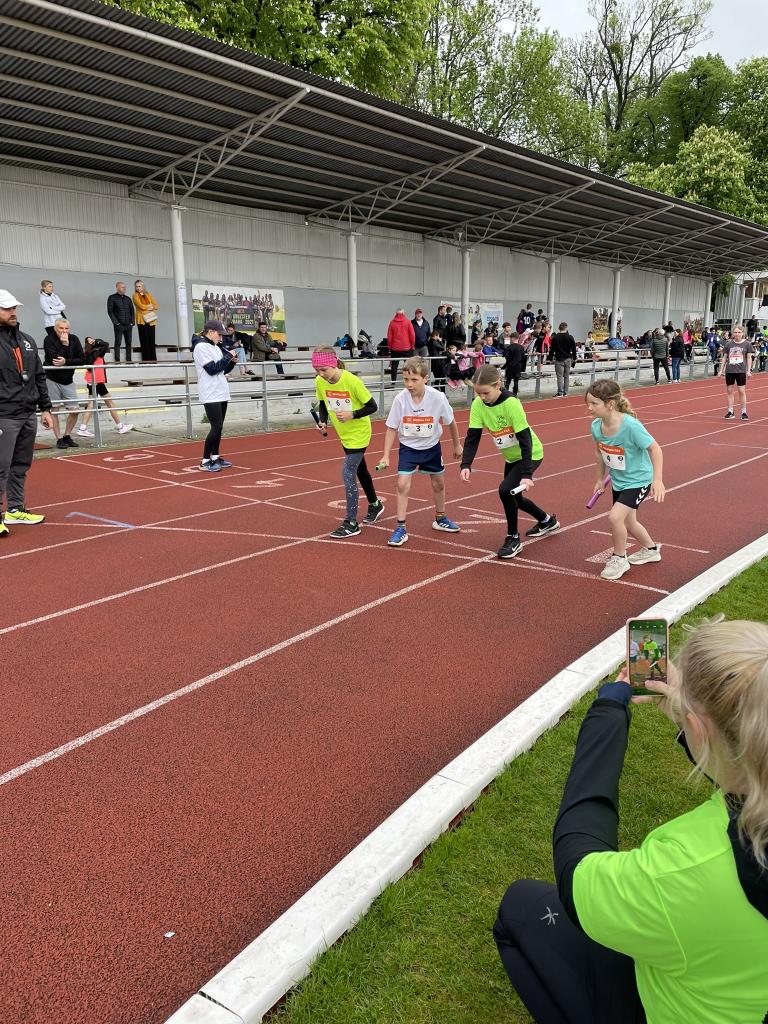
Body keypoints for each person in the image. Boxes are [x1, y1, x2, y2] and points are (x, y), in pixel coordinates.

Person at [494, 616, 768, 1024]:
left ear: (699, 728)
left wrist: (608, 711)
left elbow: (577, 867)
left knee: (519, 906)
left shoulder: (686, 869)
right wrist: (690, 717)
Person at [459, 364, 559, 559]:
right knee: (516, 498)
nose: (482, 397)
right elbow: (473, 437)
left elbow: (525, 439)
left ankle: (513, 538)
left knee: (505, 490)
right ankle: (547, 520)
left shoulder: (511, 403)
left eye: (486, 393)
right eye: (478, 393)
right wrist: (466, 464)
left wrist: (527, 474)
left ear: (498, 385)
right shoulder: (478, 405)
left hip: (530, 454)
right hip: (512, 457)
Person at [378, 356, 462, 547]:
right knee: (402, 484)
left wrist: (457, 445)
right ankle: (401, 527)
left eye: (414, 380)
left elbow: (451, 422)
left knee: (439, 483)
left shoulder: (438, 397)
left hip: (432, 447)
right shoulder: (400, 399)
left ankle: (440, 518)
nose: (409, 384)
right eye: (406, 379)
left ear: (425, 379)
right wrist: (385, 455)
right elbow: (391, 428)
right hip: (408, 449)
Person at [586, 379, 664, 581]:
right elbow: (599, 453)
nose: (589, 408)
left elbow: (655, 449)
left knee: (615, 517)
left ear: (610, 404)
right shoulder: (596, 426)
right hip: (619, 480)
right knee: (629, 522)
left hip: (639, 480)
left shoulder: (631, 426)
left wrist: (657, 480)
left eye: (594, 403)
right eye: (588, 403)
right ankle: (651, 550)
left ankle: (620, 558)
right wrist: (599, 479)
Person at [312, 346, 383, 538]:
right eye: (317, 370)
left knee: (348, 472)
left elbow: (373, 406)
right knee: (361, 470)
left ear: (334, 363)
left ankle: (351, 522)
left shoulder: (352, 381)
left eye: (323, 369)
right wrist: (323, 421)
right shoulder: (320, 380)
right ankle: (375, 504)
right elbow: (323, 402)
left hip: (359, 433)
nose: (321, 374)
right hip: (343, 433)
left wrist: (353, 414)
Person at [0, 289, 54, 535]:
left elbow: (39, 376)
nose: (13, 312)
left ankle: (15, 509)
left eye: (14, 308)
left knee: (20, 464)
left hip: (27, 413)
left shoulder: (27, 340)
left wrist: (46, 408)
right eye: (7, 308)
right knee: (1, 466)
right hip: (4, 415)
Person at [192, 320, 236, 473]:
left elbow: (222, 370)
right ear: (210, 332)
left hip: (221, 390)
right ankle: (205, 460)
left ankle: (215, 456)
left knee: (219, 427)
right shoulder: (201, 347)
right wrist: (227, 356)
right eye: (219, 334)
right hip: (210, 392)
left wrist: (231, 362)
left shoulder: (216, 347)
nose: (221, 338)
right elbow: (212, 369)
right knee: (216, 426)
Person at [77, 338, 133, 437]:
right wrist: (96, 342)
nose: (93, 340)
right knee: (104, 403)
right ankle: (120, 426)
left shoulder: (88, 352)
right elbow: (106, 344)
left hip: (93, 381)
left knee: (100, 403)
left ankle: (83, 428)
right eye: (91, 340)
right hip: (97, 381)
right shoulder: (97, 352)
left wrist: (93, 342)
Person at [43, 318, 84, 449]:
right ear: (55, 328)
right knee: (54, 409)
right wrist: (64, 345)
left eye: (66, 328)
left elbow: (82, 359)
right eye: (61, 328)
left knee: (75, 410)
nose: (64, 331)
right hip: (52, 378)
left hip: (68, 379)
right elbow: (54, 359)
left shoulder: (74, 339)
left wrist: (66, 361)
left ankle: (67, 435)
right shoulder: (49, 339)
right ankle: (59, 438)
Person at [720, 324, 754, 420]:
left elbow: (749, 358)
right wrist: (721, 370)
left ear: (743, 333)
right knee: (729, 390)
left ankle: (744, 412)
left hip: (741, 371)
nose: (737, 334)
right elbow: (725, 357)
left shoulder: (747, 344)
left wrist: (748, 370)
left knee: (741, 391)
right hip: (730, 371)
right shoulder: (729, 344)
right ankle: (730, 411)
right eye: (735, 332)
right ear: (733, 333)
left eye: (739, 332)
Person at [107, 281, 135, 362]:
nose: (124, 288)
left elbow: (132, 311)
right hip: (119, 325)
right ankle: (117, 361)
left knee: (129, 343)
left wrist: (132, 322)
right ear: (117, 288)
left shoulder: (128, 299)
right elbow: (110, 311)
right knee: (118, 343)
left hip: (128, 325)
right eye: (122, 287)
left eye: (125, 287)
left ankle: (129, 360)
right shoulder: (112, 297)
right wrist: (116, 323)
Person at [386, 308, 416, 383]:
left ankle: (393, 382)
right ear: (403, 313)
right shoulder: (408, 322)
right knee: (408, 366)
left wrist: (390, 346)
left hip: (395, 348)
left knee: (394, 366)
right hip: (407, 348)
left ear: (396, 313)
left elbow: (389, 336)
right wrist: (412, 345)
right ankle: (409, 381)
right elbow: (412, 335)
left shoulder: (392, 323)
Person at [549, 322, 577, 397]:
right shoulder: (570, 337)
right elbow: (574, 349)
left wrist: (550, 358)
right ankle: (566, 392)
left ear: (559, 328)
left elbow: (552, 349)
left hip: (559, 359)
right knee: (566, 376)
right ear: (566, 328)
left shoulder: (555, 338)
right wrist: (574, 358)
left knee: (560, 377)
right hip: (568, 359)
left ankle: (560, 392)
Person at [132, 279, 159, 362]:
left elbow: (156, 305)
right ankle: (146, 360)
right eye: (136, 286)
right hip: (141, 321)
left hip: (151, 320)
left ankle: (153, 360)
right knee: (144, 340)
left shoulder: (148, 294)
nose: (138, 288)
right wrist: (150, 307)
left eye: (139, 286)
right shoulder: (135, 295)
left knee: (151, 340)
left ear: (143, 286)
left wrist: (148, 307)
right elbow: (141, 306)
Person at [502, 331, 526, 397]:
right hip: (518, 366)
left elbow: (506, 356)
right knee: (516, 381)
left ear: (512, 338)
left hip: (510, 366)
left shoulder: (509, 347)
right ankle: (515, 395)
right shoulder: (521, 347)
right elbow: (523, 357)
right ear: (518, 338)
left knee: (508, 381)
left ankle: (505, 395)